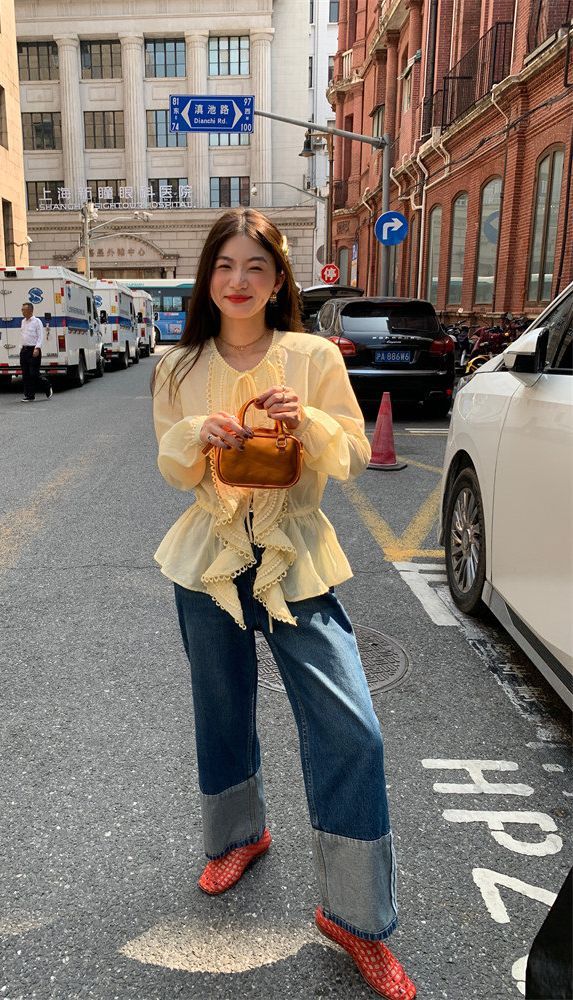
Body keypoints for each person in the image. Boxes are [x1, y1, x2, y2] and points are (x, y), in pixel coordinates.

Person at [151, 208, 416, 1000]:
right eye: (225, 265)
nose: (238, 280)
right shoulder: (178, 366)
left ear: (277, 281)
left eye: (255, 267)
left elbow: (356, 455)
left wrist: (316, 422)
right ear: (208, 277)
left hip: (296, 557)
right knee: (220, 706)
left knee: (351, 727)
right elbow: (170, 465)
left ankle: (357, 917)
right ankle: (238, 835)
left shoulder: (311, 355)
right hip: (209, 558)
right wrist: (198, 433)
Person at [19, 302, 53, 402]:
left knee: (33, 373)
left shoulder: (37, 321)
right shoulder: (23, 322)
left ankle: (47, 385)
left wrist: (37, 348)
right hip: (24, 350)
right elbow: (23, 335)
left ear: (31, 310)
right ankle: (30, 395)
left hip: (33, 350)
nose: (23, 312)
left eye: (24, 310)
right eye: (22, 310)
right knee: (25, 374)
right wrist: (20, 348)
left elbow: (40, 336)